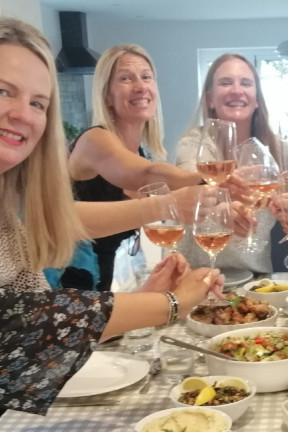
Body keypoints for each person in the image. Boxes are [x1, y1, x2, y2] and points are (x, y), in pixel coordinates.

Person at [0, 18, 223, 415]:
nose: (22, 113)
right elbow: (25, 324)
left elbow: (37, 311)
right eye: (4, 92)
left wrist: (144, 299)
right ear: (105, 91)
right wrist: (170, 302)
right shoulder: (96, 137)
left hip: (81, 311)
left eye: (37, 103)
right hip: (74, 284)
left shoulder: (6, 216)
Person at [67, 44, 204, 290]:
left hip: (110, 295)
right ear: (106, 94)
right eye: (126, 78)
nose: (140, 86)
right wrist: (208, 180)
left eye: (146, 77)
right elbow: (147, 174)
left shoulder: (140, 152)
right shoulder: (95, 140)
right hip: (73, 296)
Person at [175, 53, 281, 274]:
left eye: (245, 83)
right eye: (225, 83)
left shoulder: (277, 150)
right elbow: (189, 188)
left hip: (259, 280)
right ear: (210, 99)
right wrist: (220, 207)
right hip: (197, 278)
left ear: (257, 99)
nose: (236, 90)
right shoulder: (195, 144)